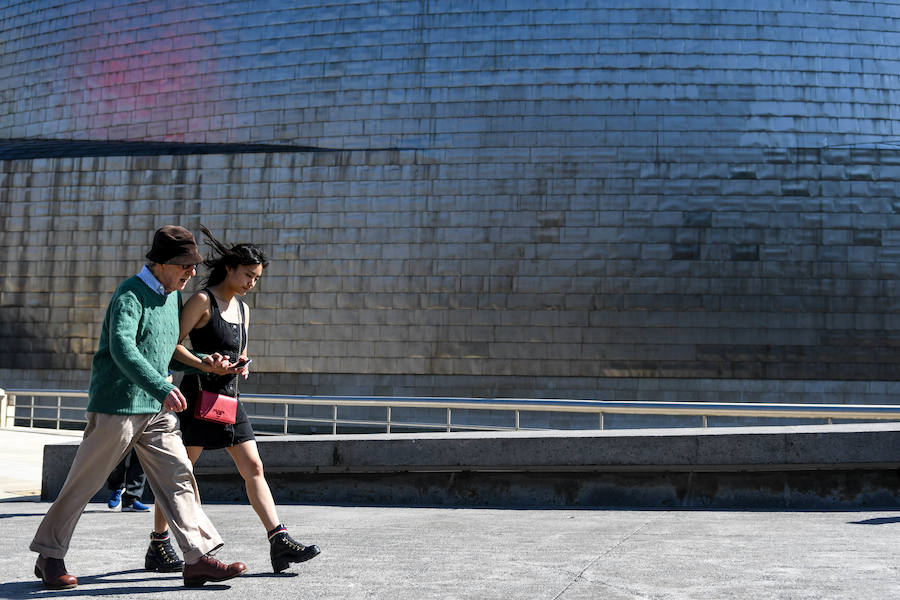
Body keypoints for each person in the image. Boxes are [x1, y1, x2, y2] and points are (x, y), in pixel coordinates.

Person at [30, 226, 247, 590]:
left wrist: (204, 362)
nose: (191, 274)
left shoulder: (171, 297)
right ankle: (49, 555)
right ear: (162, 263)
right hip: (119, 404)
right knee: (85, 482)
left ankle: (197, 559)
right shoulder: (130, 294)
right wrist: (162, 385)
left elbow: (166, 350)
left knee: (179, 476)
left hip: (156, 408)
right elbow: (123, 348)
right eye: (186, 267)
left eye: (194, 267)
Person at [145, 225, 320, 574]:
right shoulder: (201, 300)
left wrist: (243, 364)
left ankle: (278, 540)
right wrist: (203, 362)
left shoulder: (242, 309)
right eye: (248, 275)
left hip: (228, 399)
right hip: (197, 399)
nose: (251, 283)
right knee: (180, 474)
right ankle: (159, 544)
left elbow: (240, 351)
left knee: (254, 467)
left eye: (257, 278)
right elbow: (171, 346)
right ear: (229, 268)